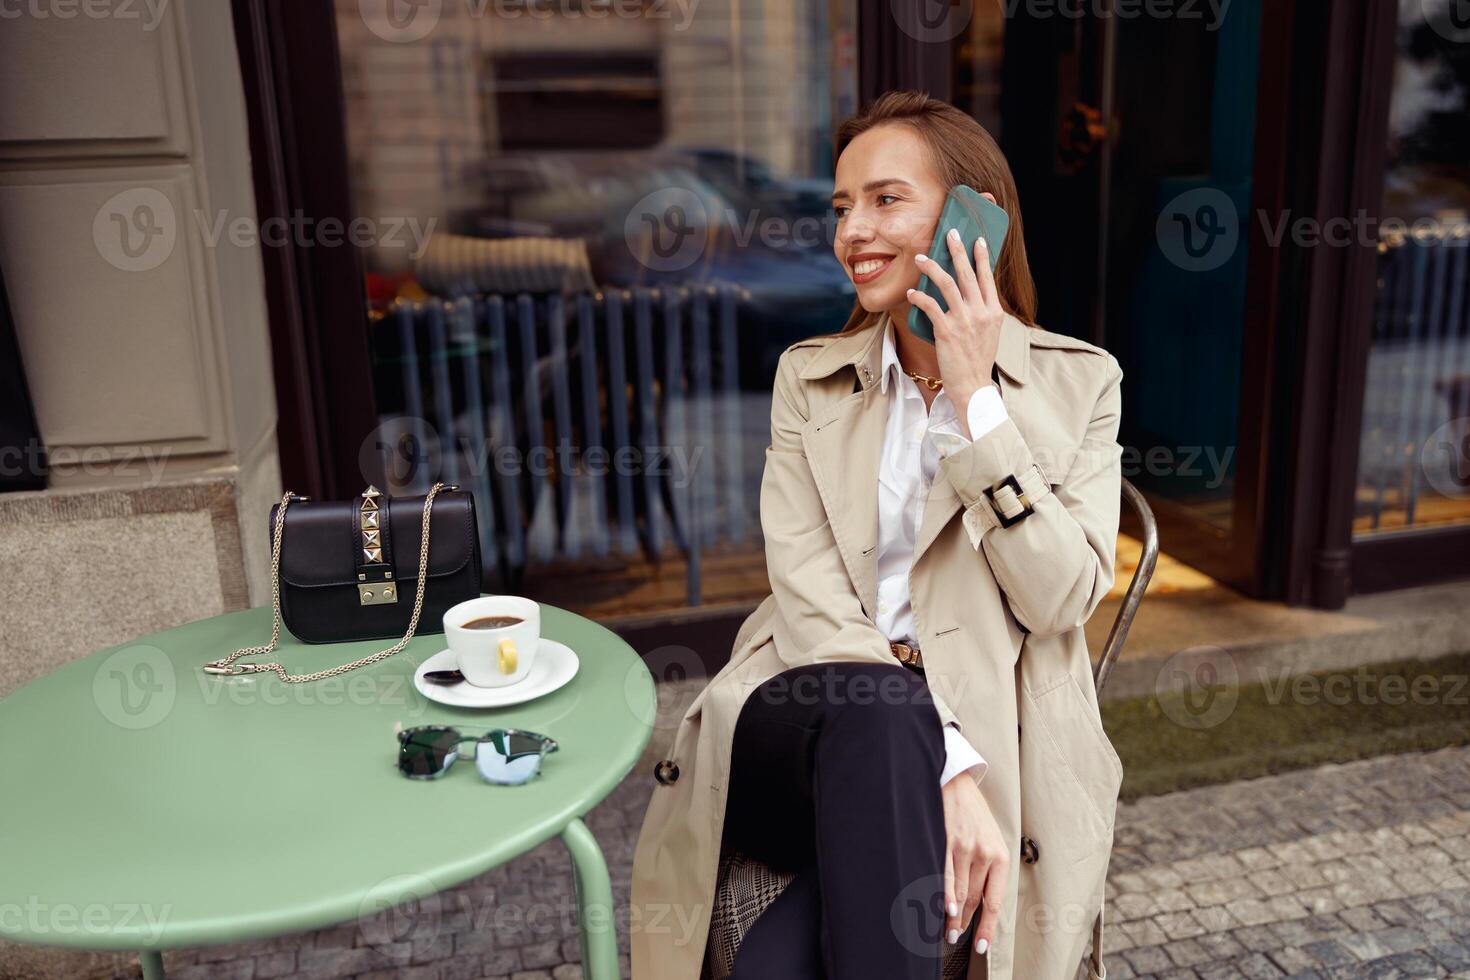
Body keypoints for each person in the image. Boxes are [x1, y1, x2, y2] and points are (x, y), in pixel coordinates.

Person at [631, 90, 1126, 980]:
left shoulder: (1079, 385)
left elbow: (1060, 598)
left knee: (773, 969)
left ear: (974, 221)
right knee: (883, 712)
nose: (852, 230)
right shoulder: (809, 381)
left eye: (886, 200)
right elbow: (811, 594)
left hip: (986, 728)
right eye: (841, 206)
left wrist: (980, 410)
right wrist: (953, 770)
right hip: (805, 714)